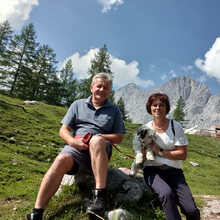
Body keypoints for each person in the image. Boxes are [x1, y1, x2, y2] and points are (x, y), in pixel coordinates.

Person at [27, 73, 126, 219]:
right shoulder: (77, 105)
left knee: (97, 141)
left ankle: (99, 196)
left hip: (100, 149)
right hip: (77, 148)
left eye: (106, 87)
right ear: (92, 87)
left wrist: (99, 136)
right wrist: (73, 142)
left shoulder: (114, 110)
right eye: (99, 86)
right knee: (61, 160)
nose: (102, 89)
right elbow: (63, 130)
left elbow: (119, 137)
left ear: (109, 91)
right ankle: (37, 211)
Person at [143, 93, 200, 220]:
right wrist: (141, 148)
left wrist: (159, 151)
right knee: (166, 194)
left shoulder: (175, 126)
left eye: (162, 105)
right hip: (153, 170)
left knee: (192, 211)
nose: (158, 108)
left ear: (167, 108)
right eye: (154, 105)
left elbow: (183, 154)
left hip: (175, 172)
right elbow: (137, 150)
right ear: (150, 108)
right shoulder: (145, 128)